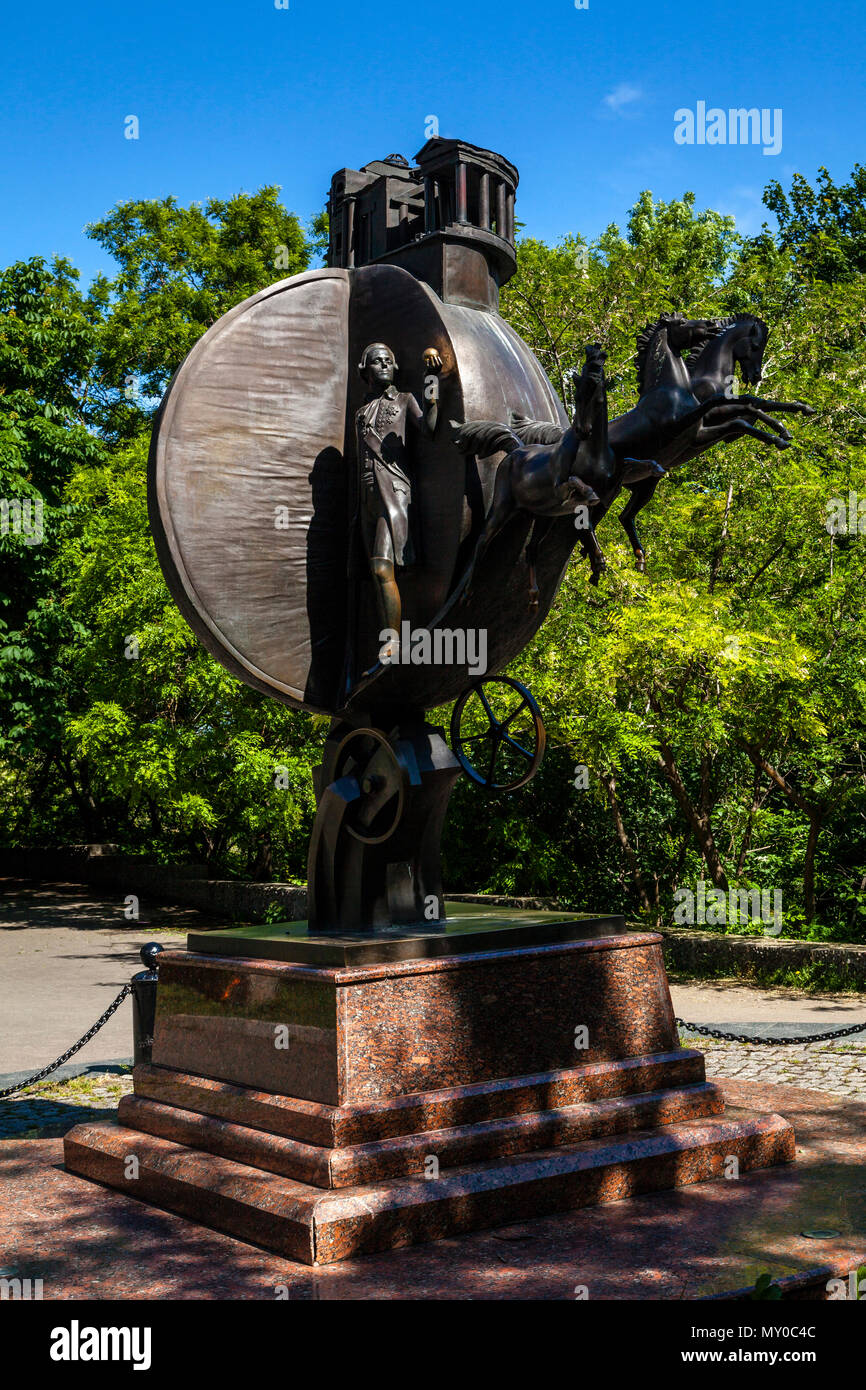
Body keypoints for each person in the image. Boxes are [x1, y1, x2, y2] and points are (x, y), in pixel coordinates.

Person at [354, 341, 441, 661]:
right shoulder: (361, 413)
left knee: (380, 566)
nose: (385, 365)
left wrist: (432, 382)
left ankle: (393, 641)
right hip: (367, 499)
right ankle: (386, 640)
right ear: (365, 370)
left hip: (393, 491)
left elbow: (430, 429)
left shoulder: (404, 400)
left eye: (389, 360)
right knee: (375, 572)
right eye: (377, 362)